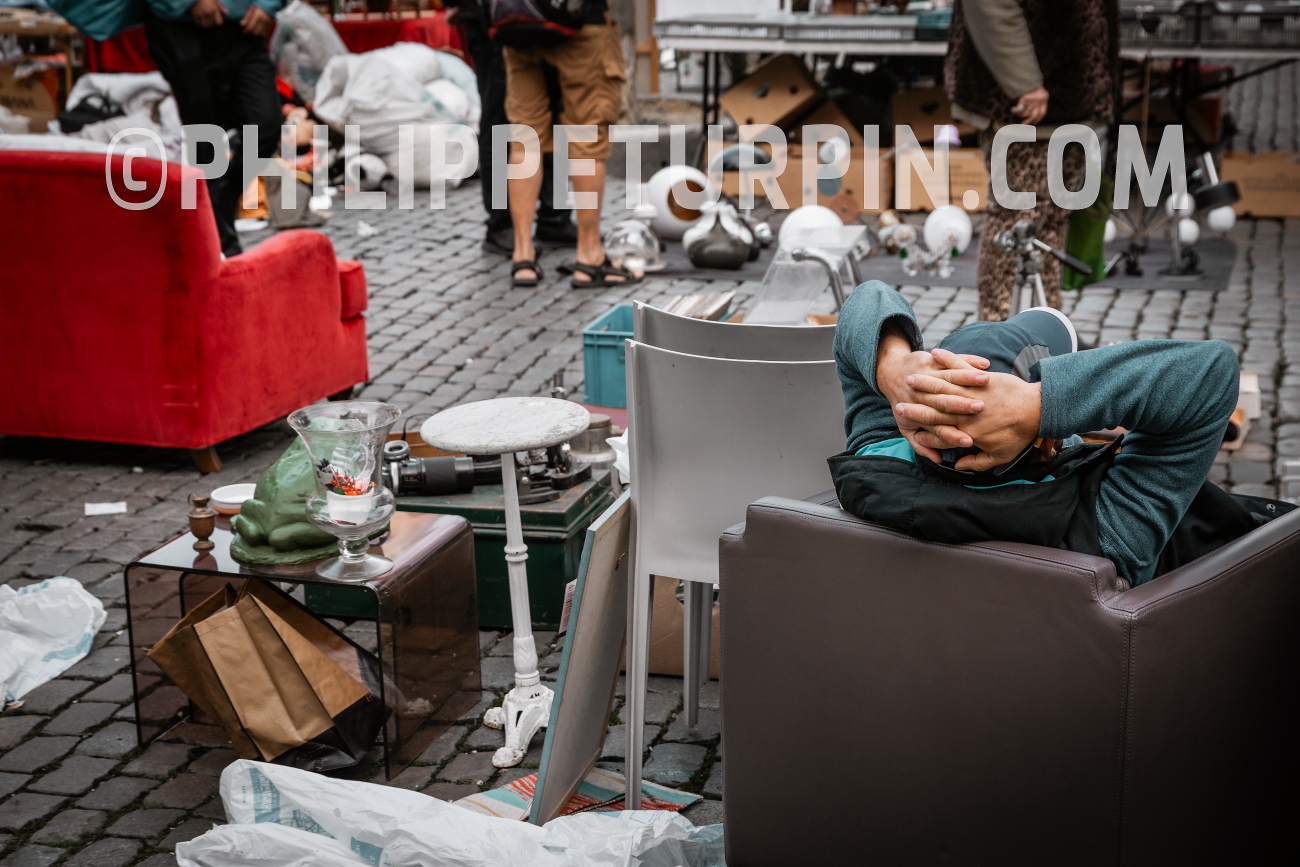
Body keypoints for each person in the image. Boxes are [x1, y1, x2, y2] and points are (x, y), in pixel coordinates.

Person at [829, 282, 1293, 586]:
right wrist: (1036, 406)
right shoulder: (1109, 530)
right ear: (1048, 440)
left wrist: (896, 367)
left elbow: (868, 298)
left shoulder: (875, 459)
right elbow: (1211, 372)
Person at [944, 0, 1118, 320]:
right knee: (1016, 222)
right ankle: (997, 329)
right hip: (1023, 102)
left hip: (1072, 96)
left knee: (1051, 221)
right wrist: (1024, 81)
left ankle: (1045, 325)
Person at [500, 1, 641, 289]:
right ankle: (589, 257)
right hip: (581, 23)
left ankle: (523, 256)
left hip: (518, 20)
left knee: (525, 139)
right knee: (586, 138)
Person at [143, 0, 284, 258]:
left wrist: (268, 3)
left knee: (266, 126)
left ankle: (216, 211)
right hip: (180, 30)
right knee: (206, 142)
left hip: (243, 26)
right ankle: (225, 250)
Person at [446, 0, 577, 256]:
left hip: (544, 12)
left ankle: (554, 216)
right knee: (500, 118)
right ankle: (502, 223)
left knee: (555, 112)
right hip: (493, 16)